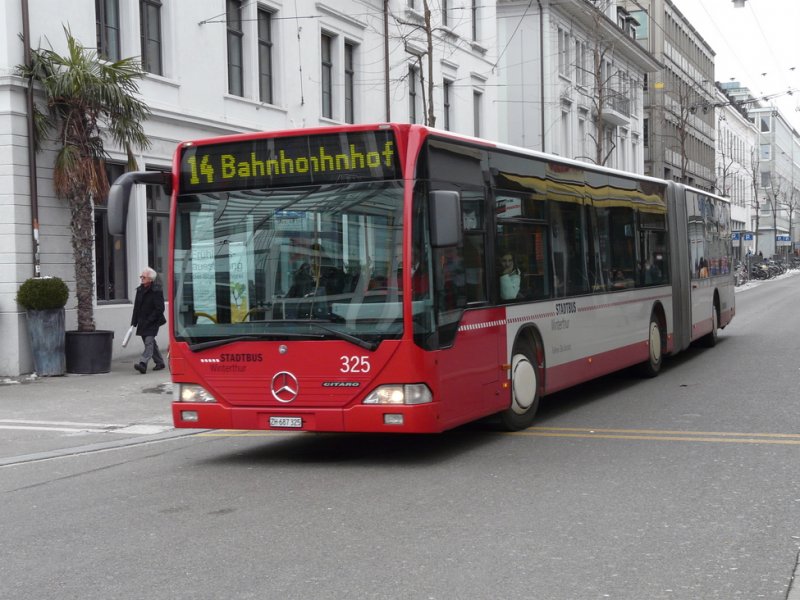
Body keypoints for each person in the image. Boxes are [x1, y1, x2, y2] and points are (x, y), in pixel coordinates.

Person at [130, 266, 166, 374]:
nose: (141, 278)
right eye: (141, 276)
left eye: (144, 277)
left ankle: (143, 363)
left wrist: (150, 320)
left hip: (153, 322)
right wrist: (134, 321)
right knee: (150, 344)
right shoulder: (140, 290)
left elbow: (160, 309)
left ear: (150, 279)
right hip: (142, 322)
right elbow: (136, 307)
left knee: (148, 342)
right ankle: (160, 362)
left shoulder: (156, 291)